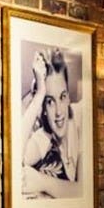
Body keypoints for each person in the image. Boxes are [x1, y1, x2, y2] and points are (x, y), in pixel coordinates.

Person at [21, 48, 81, 198]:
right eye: (50, 101)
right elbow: (14, 159)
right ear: (44, 109)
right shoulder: (45, 135)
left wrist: (42, 183)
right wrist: (40, 93)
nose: (59, 112)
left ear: (69, 98)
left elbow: (86, 191)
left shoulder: (81, 118)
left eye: (62, 96)